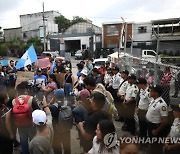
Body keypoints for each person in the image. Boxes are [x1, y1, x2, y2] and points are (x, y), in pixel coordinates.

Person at [6, 81, 39, 154]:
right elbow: (38, 111)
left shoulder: (14, 101)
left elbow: (11, 114)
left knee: (23, 141)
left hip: (20, 124)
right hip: (31, 124)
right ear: (26, 90)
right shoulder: (31, 99)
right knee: (33, 140)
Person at [146, 85, 169, 154]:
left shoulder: (162, 104)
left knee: (156, 147)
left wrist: (157, 130)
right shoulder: (154, 101)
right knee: (152, 144)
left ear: (156, 93)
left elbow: (165, 121)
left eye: (151, 91)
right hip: (150, 125)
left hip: (156, 127)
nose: (149, 92)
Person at [49, 88, 72, 154]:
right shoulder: (68, 104)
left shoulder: (53, 107)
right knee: (67, 147)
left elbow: (47, 112)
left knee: (57, 148)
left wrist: (51, 101)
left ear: (55, 96)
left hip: (56, 131)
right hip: (67, 129)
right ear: (64, 96)